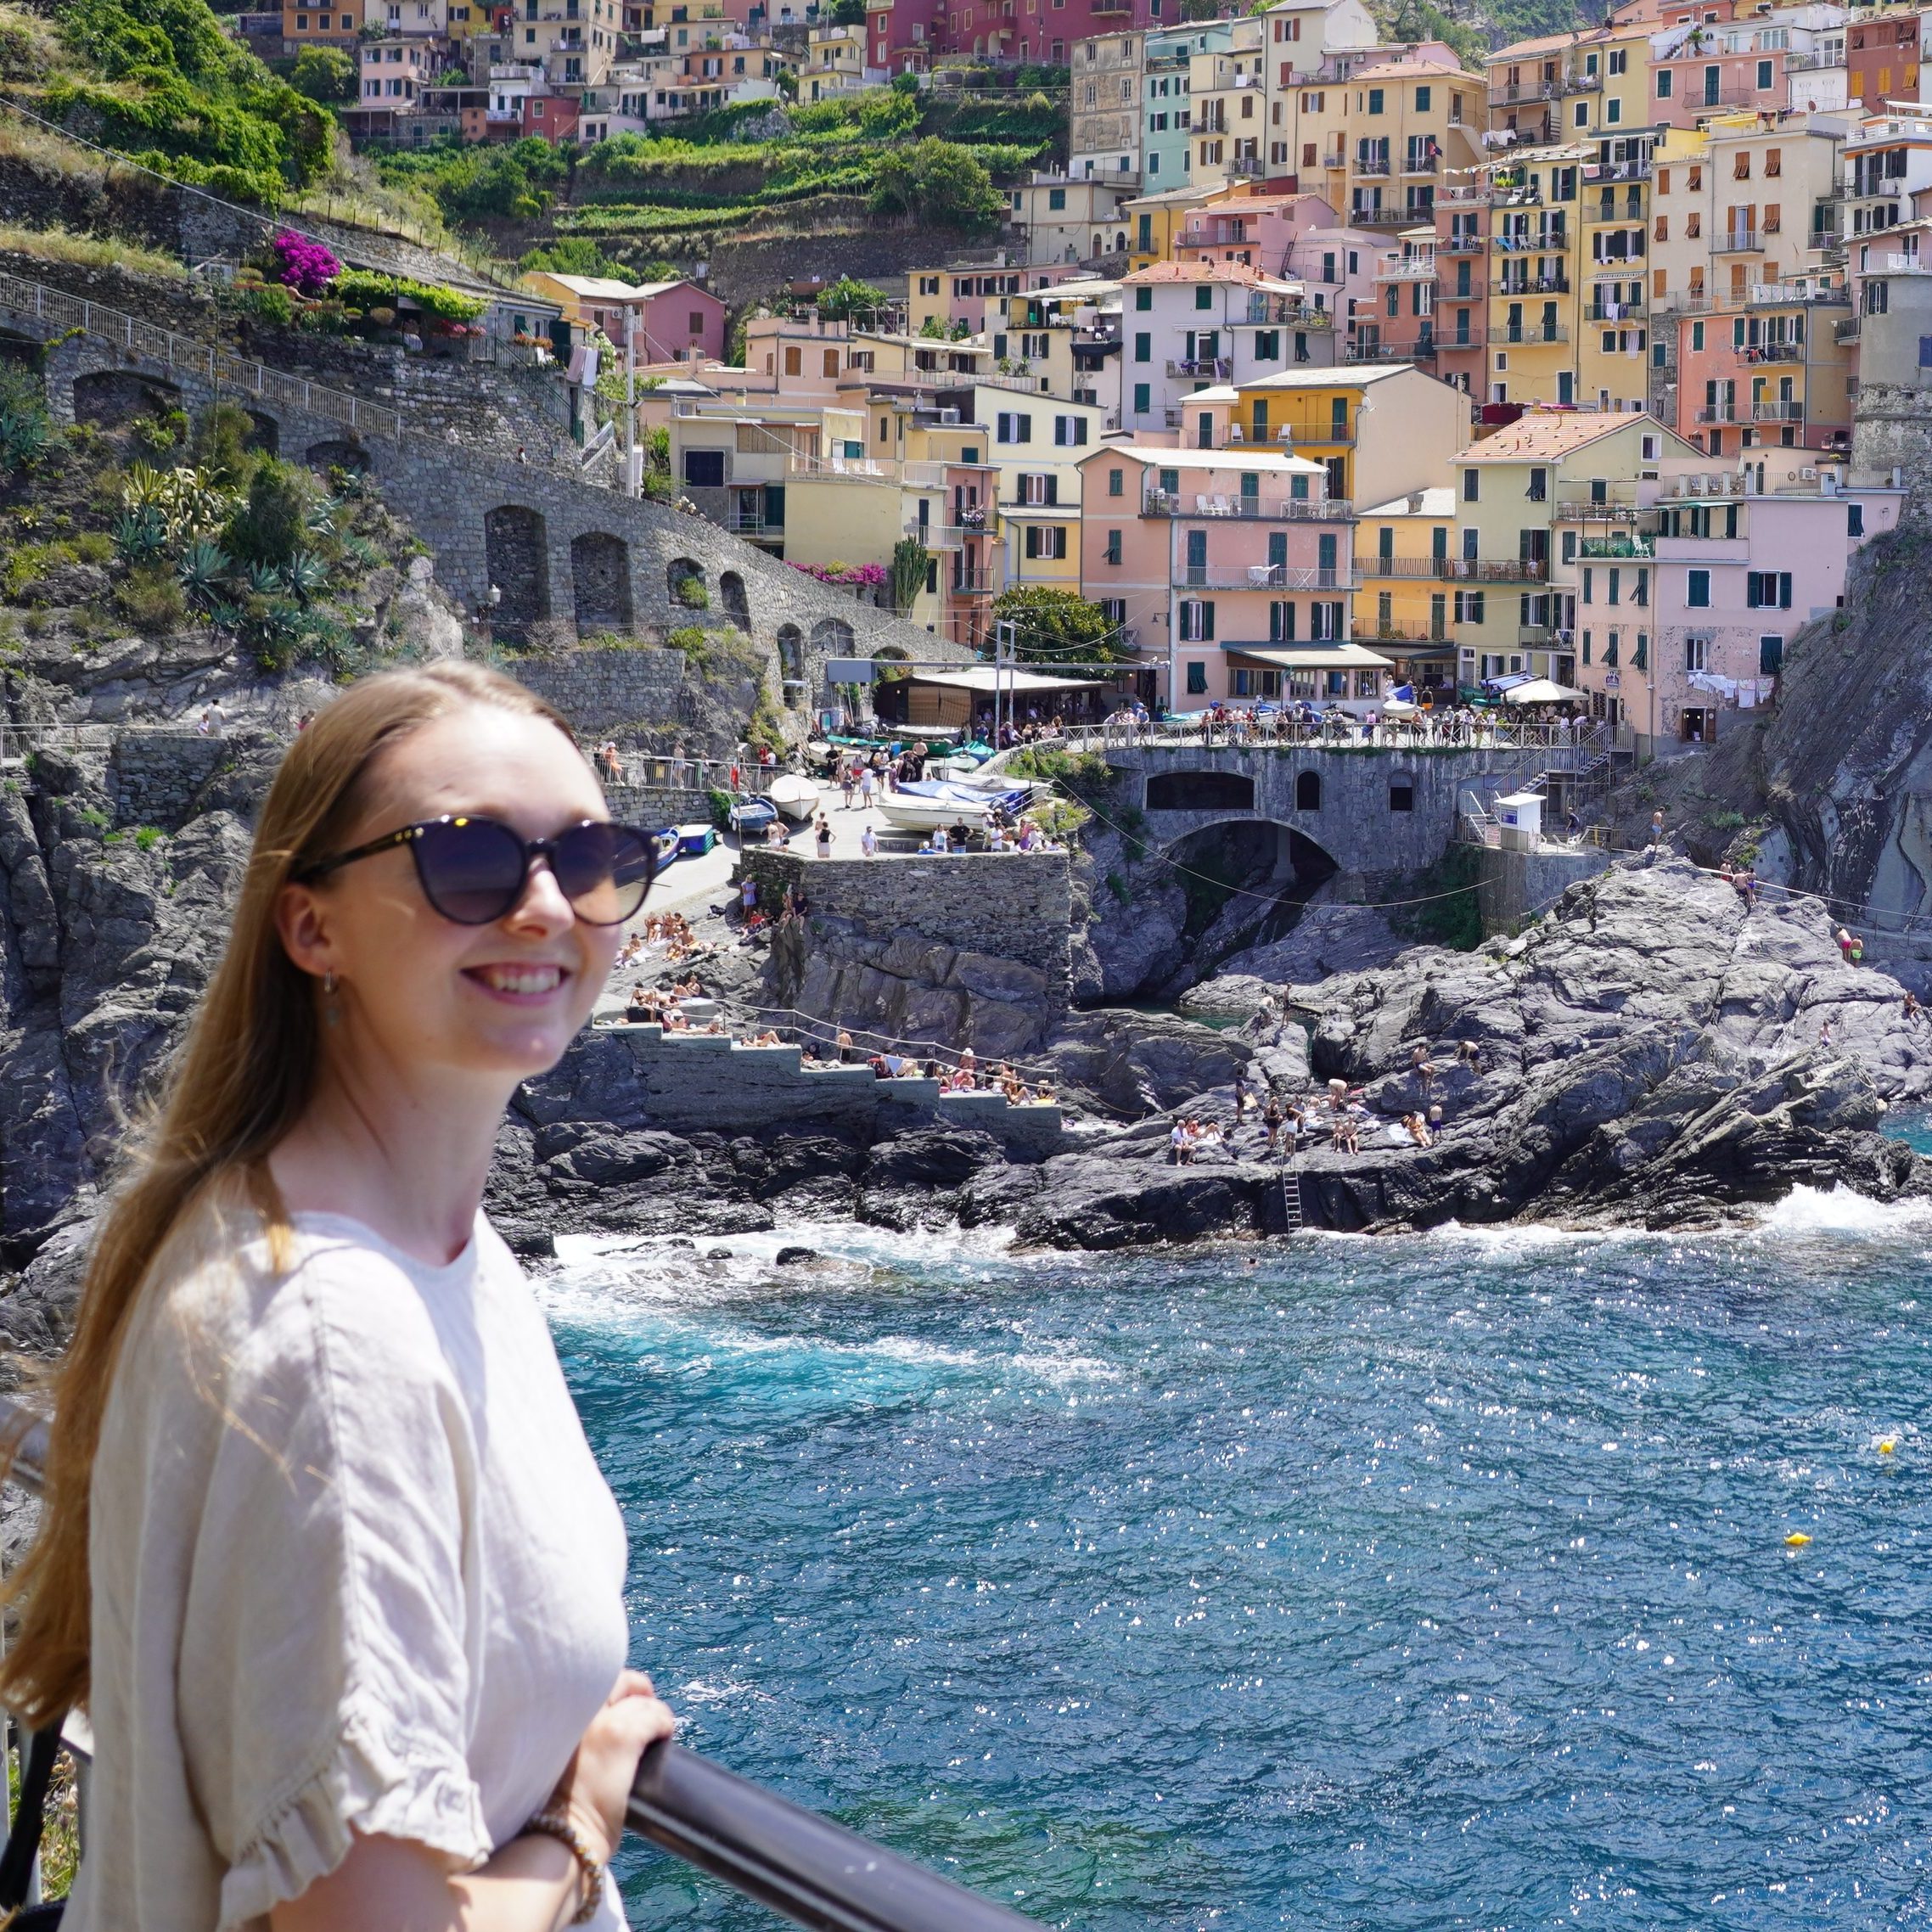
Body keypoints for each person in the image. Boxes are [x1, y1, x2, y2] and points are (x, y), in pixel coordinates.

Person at [0, 665, 675, 1929]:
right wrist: (580, 1831)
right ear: (312, 928)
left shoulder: (404, 1252)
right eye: (465, 860)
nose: (543, 906)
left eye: (592, 858)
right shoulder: (337, 1341)